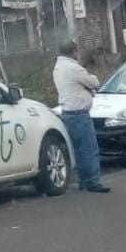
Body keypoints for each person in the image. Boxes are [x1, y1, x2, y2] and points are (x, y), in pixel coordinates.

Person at [52, 40, 110, 193]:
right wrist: (91, 86)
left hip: (67, 113)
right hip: (80, 114)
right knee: (89, 149)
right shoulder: (73, 68)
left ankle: (83, 180)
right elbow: (93, 82)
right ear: (74, 51)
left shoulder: (58, 67)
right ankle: (93, 181)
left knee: (78, 150)